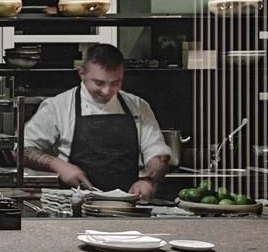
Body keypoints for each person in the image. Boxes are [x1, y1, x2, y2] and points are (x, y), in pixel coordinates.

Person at [22, 41, 172, 198]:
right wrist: (59, 166)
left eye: (115, 83)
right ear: (81, 73)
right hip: (75, 202)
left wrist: (149, 180)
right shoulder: (58, 106)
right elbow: (21, 149)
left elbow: (156, 150)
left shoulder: (138, 106)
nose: (107, 91)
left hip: (127, 203)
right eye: (99, 83)